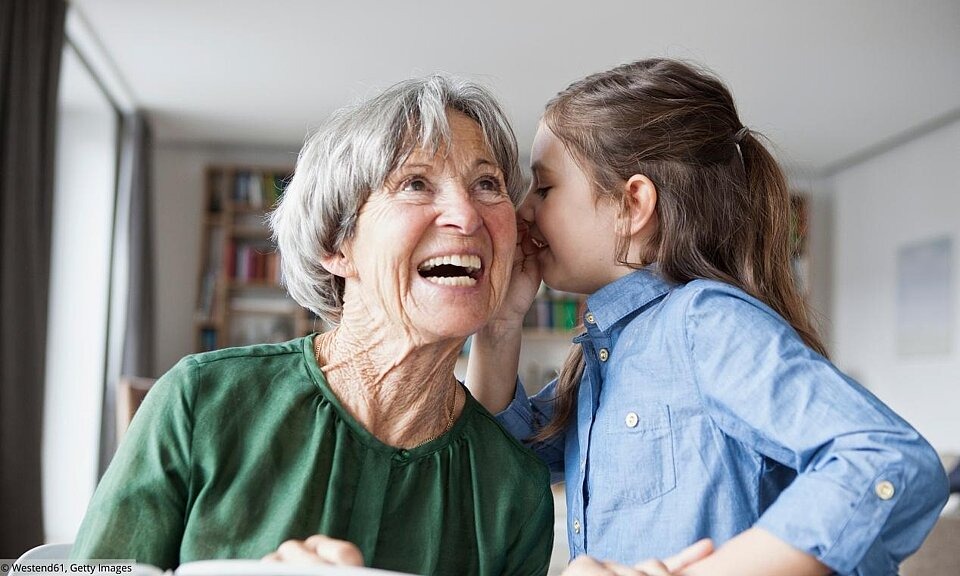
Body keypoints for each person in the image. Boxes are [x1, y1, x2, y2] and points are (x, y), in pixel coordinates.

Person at [466, 58, 949, 575]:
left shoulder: (702, 323)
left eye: (543, 188)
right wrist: (498, 326)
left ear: (632, 205)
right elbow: (503, 465)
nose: (522, 213)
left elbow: (884, 459)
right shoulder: (603, 357)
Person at [71, 74, 555, 575]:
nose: (467, 216)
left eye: (487, 185)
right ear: (336, 244)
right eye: (415, 183)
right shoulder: (200, 401)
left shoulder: (514, 489)